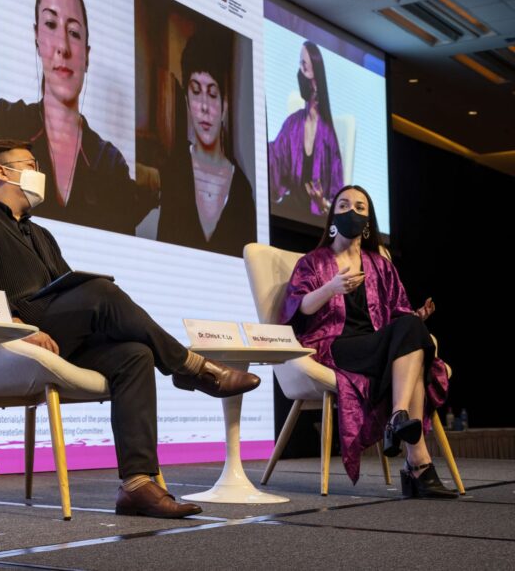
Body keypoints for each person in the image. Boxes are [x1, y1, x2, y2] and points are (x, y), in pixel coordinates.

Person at [0, 139, 262, 518]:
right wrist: (17, 326)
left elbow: (65, 290)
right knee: (101, 294)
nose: (38, 173)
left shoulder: (40, 234)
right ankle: (191, 367)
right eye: (30, 164)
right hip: (9, 336)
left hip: (56, 332)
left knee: (134, 355)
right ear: (2, 172)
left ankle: (138, 485)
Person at [281, 185, 456, 498]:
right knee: (413, 346)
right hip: (334, 345)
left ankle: (400, 421)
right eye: (345, 205)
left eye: (360, 207)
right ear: (333, 215)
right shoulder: (314, 262)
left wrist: (417, 316)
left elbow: (397, 315)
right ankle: (416, 461)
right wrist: (331, 288)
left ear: (367, 221)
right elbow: (297, 308)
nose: (352, 211)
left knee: (412, 327)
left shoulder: (380, 264)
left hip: (374, 345)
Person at [0, 0, 157, 235]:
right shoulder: (1, 124)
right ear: (37, 39)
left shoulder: (110, 163)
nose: (62, 46)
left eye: (74, 32)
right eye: (51, 25)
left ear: (86, 55)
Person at [156, 30, 255, 256]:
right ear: (186, 101)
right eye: (196, 92)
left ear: (224, 106)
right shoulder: (174, 170)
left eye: (212, 94)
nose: (203, 106)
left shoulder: (241, 189)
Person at [268, 41, 344, 221]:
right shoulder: (292, 124)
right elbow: (275, 159)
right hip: (290, 214)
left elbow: (338, 198)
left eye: (305, 66)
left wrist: (322, 202)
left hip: (317, 220)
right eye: (300, 66)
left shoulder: (329, 136)